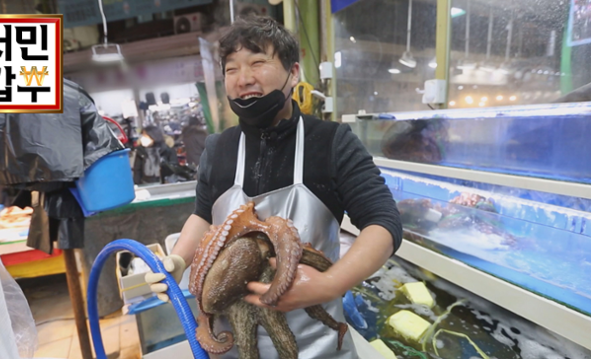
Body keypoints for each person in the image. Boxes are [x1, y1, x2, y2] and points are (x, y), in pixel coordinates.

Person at [146, 16, 402, 359]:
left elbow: (383, 223)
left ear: (293, 72)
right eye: (232, 69)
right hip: (233, 345)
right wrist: (179, 260)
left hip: (318, 348)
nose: (244, 79)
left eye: (258, 62)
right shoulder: (217, 148)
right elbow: (204, 217)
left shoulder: (330, 142)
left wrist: (331, 283)